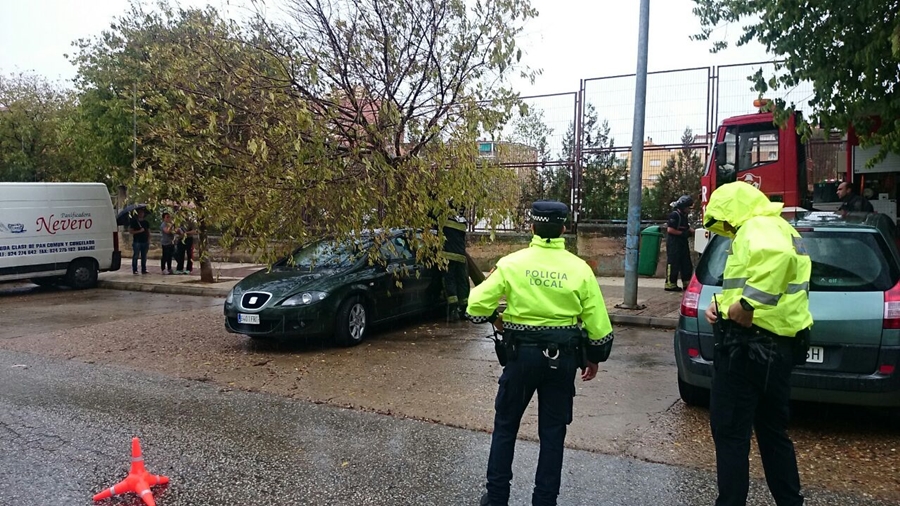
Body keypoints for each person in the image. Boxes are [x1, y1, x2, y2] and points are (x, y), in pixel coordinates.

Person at [466, 200, 614, 506]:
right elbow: (598, 326)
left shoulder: (511, 263)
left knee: (506, 426)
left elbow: (474, 306)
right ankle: (544, 500)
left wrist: (498, 316)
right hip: (563, 360)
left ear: (532, 226)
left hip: (521, 357)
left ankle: (496, 498)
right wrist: (594, 357)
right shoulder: (579, 269)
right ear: (563, 228)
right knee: (553, 433)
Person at [702, 182, 813, 506]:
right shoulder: (780, 227)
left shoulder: (756, 227)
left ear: (733, 209)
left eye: (727, 220)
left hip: (746, 348)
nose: (730, 228)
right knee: (773, 434)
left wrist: (748, 305)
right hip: (777, 347)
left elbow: (774, 262)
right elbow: (760, 277)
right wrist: (721, 304)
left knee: (731, 434)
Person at [440, 207, 469, 322]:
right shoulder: (463, 222)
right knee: (462, 282)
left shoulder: (444, 219)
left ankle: (453, 309)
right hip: (461, 256)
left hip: (448, 256)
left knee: (450, 281)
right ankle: (464, 310)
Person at [665, 195, 695, 292]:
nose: (689, 210)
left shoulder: (683, 216)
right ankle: (670, 284)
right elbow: (670, 230)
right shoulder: (675, 215)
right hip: (674, 242)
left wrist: (697, 233)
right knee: (673, 263)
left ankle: (687, 283)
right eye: (687, 207)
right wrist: (683, 234)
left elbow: (687, 227)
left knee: (686, 263)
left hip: (682, 242)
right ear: (683, 206)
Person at [128, 208, 150, 275]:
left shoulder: (146, 222)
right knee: (136, 256)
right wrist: (139, 231)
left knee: (144, 256)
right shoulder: (134, 222)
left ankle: (144, 269)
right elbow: (131, 231)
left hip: (145, 241)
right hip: (137, 241)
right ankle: (135, 269)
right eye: (140, 213)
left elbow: (148, 232)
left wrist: (149, 240)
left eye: (142, 213)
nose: (141, 214)